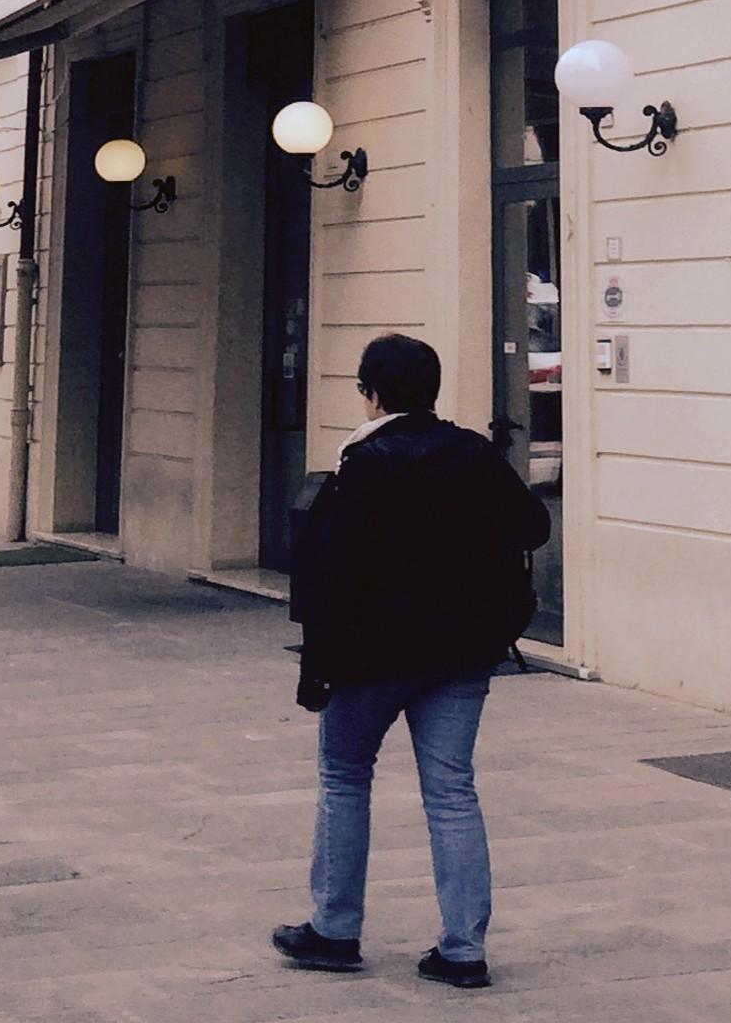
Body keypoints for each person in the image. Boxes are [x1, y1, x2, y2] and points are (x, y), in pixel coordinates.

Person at [275, 333, 549, 991]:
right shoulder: (472, 454)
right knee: (452, 792)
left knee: (344, 777)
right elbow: (534, 525)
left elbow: (333, 576)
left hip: (373, 656)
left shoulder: (362, 464)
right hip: (460, 652)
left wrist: (317, 666)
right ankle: (462, 949)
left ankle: (335, 929)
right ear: (431, 389)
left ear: (372, 395)